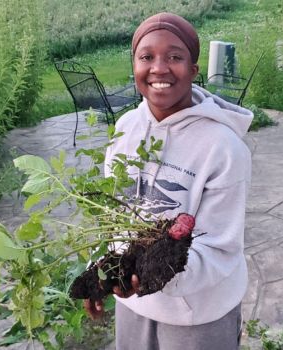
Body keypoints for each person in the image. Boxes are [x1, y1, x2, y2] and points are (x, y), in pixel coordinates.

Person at [84, 12, 253, 350]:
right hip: (134, 303)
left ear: (193, 69)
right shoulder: (126, 129)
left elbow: (219, 248)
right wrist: (100, 270)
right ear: (134, 66)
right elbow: (115, 220)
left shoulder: (224, 148)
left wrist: (154, 275)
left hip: (199, 312)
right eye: (147, 57)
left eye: (175, 57)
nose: (159, 68)